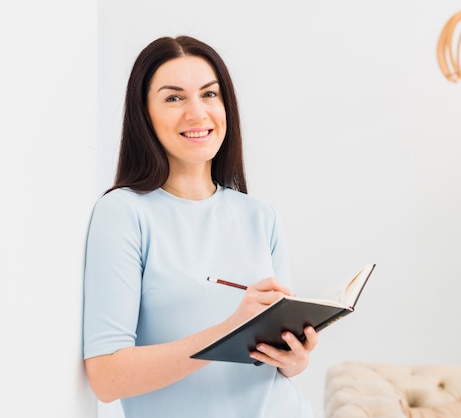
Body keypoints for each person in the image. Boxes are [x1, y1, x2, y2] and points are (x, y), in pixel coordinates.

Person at [82, 35, 318, 418]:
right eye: (174, 98)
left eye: (209, 95)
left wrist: (294, 357)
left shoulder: (262, 216)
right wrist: (229, 330)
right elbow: (107, 378)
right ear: (144, 114)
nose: (197, 113)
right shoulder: (124, 213)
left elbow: (281, 368)